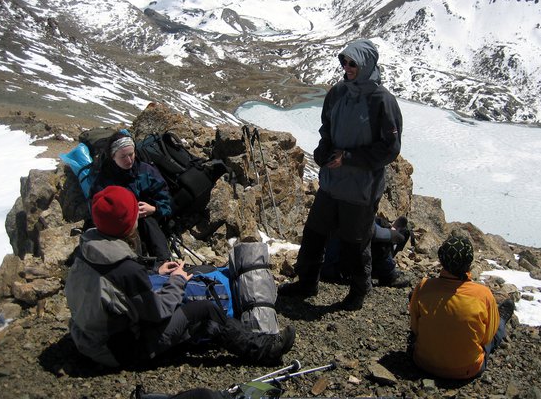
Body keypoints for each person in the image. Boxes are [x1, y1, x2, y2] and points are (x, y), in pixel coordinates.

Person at [65, 185, 295, 368]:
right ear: (127, 223)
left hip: (85, 337)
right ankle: (263, 350)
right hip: (118, 351)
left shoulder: (87, 249)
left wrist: (156, 272)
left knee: (181, 297)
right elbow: (158, 312)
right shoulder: (126, 270)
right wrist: (177, 280)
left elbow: (115, 289)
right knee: (206, 310)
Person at [278, 38, 403, 310]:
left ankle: (359, 291)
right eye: (344, 62)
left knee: (355, 244)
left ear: (367, 64)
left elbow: (390, 149)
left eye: (353, 63)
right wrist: (324, 153)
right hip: (331, 184)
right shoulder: (338, 93)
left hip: (360, 189)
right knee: (313, 234)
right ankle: (307, 283)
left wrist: (349, 158)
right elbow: (327, 130)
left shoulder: (382, 101)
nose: (347, 67)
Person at [408, 236, 515, 380]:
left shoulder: (423, 286)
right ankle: (501, 320)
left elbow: (414, 328)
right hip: (467, 369)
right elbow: (485, 338)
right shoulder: (483, 295)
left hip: (422, 363)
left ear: (441, 260)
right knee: (495, 331)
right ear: (468, 263)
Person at [90, 131, 172, 262]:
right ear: (113, 156)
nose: (129, 160)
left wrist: (154, 209)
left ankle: (165, 262)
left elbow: (166, 199)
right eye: (123, 156)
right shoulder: (104, 180)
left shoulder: (146, 171)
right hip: (119, 226)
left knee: (148, 221)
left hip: (147, 221)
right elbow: (97, 210)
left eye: (131, 154)